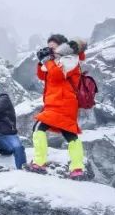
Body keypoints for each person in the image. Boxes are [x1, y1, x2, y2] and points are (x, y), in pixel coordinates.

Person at [25, 34, 86, 179]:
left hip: (61, 103)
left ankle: (39, 163)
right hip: (62, 103)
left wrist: (47, 60)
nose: (50, 50)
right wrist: (42, 62)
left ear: (62, 46)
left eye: (53, 47)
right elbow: (43, 76)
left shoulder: (70, 59)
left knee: (38, 128)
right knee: (70, 134)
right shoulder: (56, 60)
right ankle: (77, 169)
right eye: (49, 48)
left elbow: (57, 75)